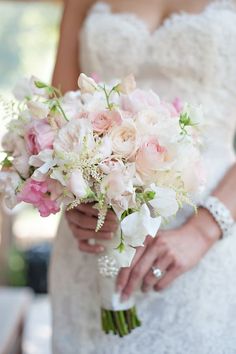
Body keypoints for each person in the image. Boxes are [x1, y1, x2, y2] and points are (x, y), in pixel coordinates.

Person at [50, 0, 236, 353]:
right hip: (93, 237)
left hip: (207, 233)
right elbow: (59, 109)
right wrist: (70, 193)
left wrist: (205, 228)